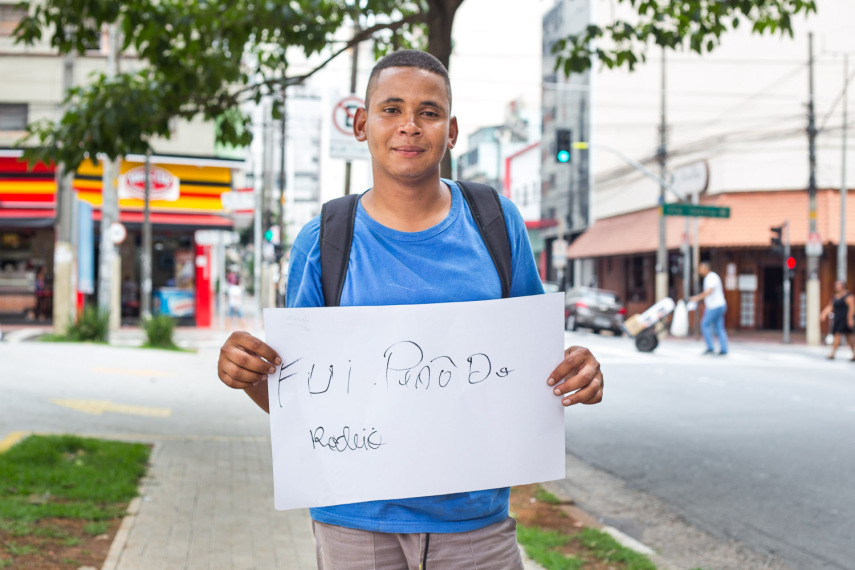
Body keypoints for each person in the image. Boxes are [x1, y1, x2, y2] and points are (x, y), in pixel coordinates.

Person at [217, 49, 604, 569]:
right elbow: (300, 404)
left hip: (474, 523)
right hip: (355, 522)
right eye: (391, 109)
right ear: (361, 124)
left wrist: (578, 374)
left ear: (452, 131)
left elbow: (534, 368)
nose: (409, 127)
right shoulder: (324, 239)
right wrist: (247, 377)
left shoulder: (496, 222)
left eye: (429, 112)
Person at [689, 260, 728, 355]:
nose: (700, 270)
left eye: (701, 268)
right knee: (719, 327)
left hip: (714, 306)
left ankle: (710, 347)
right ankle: (724, 349)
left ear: (706, 268)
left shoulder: (711, 277)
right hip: (719, 305)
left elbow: (709, 291)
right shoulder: (711, 277)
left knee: (705, 324)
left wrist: (697, 298)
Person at [820, 279, 855, 360]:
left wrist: (850, 319)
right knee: (837, 335)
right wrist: (824, 313)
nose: (838, 287)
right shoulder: (835, 297)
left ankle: (854, 353)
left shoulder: (848, 296)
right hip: (838, 318)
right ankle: (833, 353)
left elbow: (852, 308)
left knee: (849, 337)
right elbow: (830, 306)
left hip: (845, 318)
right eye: (837, 285)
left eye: (839, 285)